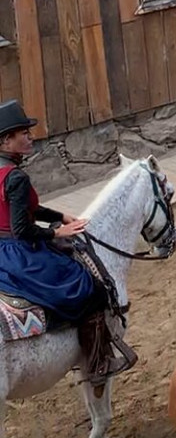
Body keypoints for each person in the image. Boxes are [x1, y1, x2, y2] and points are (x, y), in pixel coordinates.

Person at [0, 99, 136, 385]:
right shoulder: (15, 177)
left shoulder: (5, 174)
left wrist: (59, 215)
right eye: (23, 132)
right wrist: (56, 233)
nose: (29, 136)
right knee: (87, 287)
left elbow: (22, 207)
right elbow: (22, 229)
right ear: (5, 141)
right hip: (17, 253)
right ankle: (99, 362)